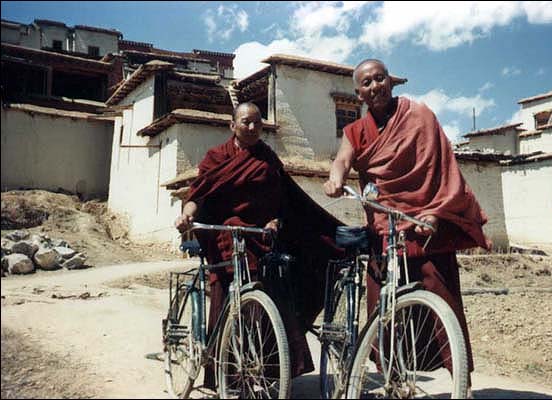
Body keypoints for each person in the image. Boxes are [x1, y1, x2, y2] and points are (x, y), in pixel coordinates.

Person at [324, 59, 491, 395]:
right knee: (381, 312)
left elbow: (443, 168)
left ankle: (463, 383)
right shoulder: (356, 131)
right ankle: (393, 381)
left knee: (445, 299)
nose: (375, 87)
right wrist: (335, 176)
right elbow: (343, 158)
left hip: (425, 223)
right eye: (367, 83)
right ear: (358, 94)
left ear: (391, 81)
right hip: (383, 228)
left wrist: (435, 212)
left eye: (380, 79)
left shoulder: (419, 116)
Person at [175, 102, 342, 387]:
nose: (252, 128)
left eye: (257, 123)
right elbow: (198, 194)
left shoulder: (268, 159)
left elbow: (284, 202)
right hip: (223, 233)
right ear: (232, 125)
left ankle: (268, 365)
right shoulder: (217, 157)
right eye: (245, 122)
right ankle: (225, 372)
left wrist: (276, 221)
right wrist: (186, 216)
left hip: (260, 235)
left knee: (279, 286)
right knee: (224, 296)